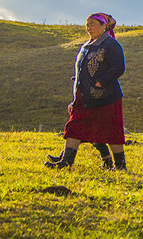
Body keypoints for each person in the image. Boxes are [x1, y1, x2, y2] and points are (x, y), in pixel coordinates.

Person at [45, 13, 127, 170]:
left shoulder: (111, 44)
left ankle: (120, 166)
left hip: (106, 97)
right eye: (87, 24)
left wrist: (100, 82)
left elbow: (119, 67)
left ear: (104, 26)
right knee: (74, 126)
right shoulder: (87, 45)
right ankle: (66, 162)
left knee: (111, 130)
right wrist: (75, 97)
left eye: (92, 24)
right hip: (84, 96)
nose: (89, 28)